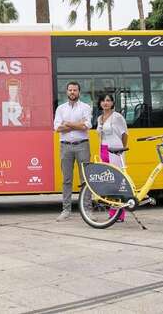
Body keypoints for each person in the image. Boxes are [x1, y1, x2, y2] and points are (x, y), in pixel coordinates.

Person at [53, 81, 92, 221]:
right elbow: (57, 128)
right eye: (70, 90)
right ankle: (66, 210)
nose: (72, 92)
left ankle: (87, 209)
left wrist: (67, 124)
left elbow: (87, 125)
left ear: (79, 92)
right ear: (66, 92)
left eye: (75, 90)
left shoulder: (86, 107)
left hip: (82, 145)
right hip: (65, 146)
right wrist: (77, 125)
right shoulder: (60, 108)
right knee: (66, 180)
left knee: (85, 179)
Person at [97, 93, 129, 222]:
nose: (106, 103)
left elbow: (125, 134)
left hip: (115, 149)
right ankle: (112, 211)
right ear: (100, 103)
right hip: (103, 149)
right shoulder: (99, 118)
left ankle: (119, 214)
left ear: (112, 103)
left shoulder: (117, 117)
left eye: (108, 100)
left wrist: (121, 150)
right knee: (108, 181)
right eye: (103, 100)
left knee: (117, 181)